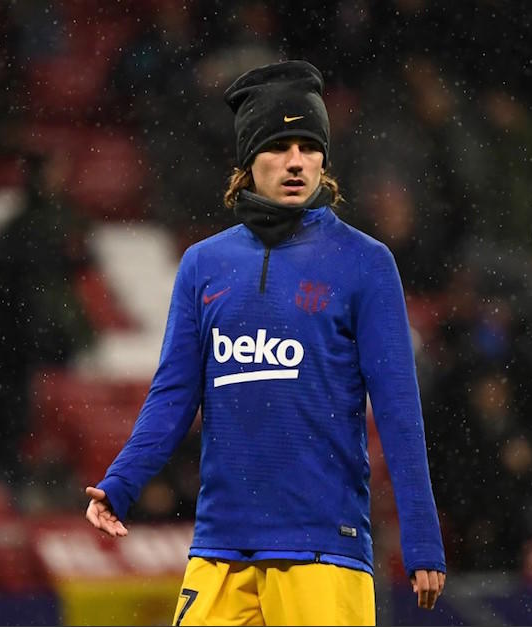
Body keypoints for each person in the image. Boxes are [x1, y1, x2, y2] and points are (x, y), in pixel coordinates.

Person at [85, 60, 446, 626]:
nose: (296, 161)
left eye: (309, 145)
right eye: (279, 146)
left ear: (325, 157)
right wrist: (121, 483)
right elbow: (174, 396)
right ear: (248, 159)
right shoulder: (203, 265)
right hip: (221, 548)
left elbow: (399, 411)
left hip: (324, 549)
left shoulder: (366, 264)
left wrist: (422, 538)